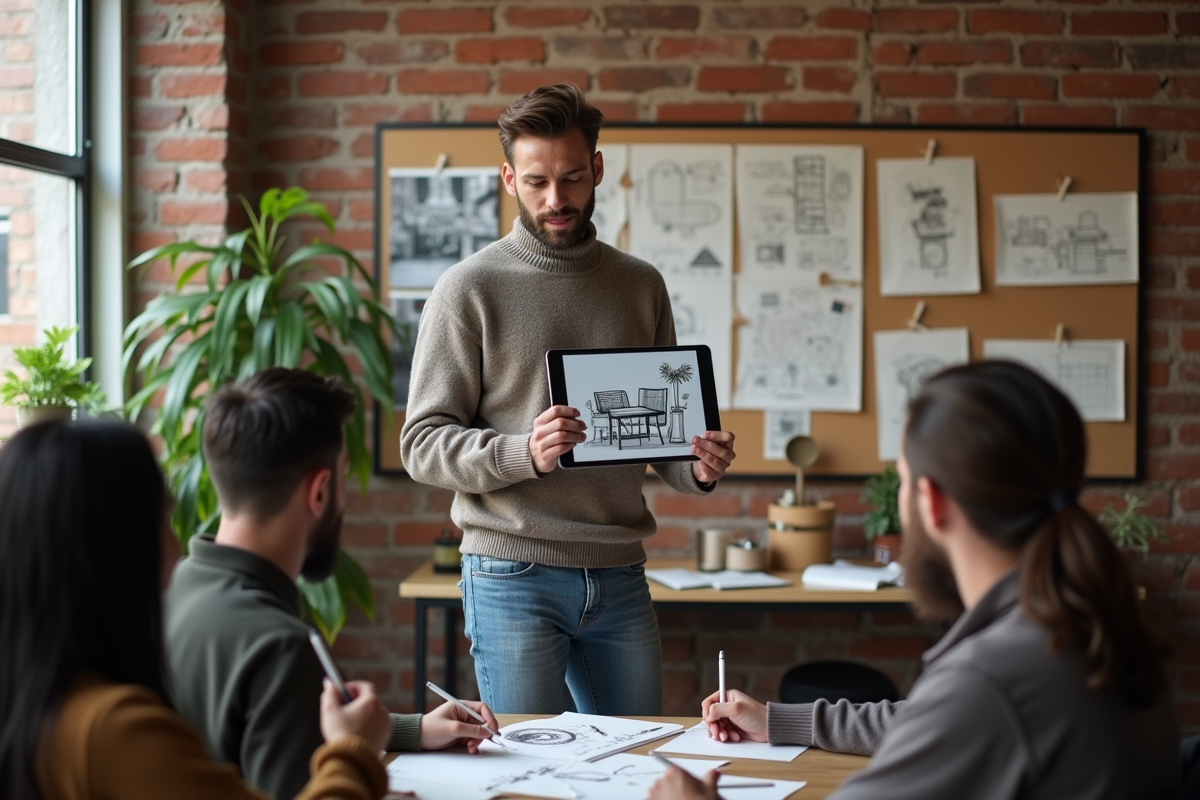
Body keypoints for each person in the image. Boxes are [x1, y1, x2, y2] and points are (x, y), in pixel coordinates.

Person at [651, 361, 1180, 800]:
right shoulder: (1081, 621)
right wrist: (778, 721)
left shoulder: (993, 679)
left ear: (932, 502)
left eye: (902, 482)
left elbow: (964, 710)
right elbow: (933, 720)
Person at [401, 83, 737, 716]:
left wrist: (695, 467)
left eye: (572, 179)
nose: (556, 200)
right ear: (507, 179)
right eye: (536, 183)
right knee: (528, 769)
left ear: (598, 170)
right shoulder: (467, 289)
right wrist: (521, 451)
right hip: (511, 574)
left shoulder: (641, 286)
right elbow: (421, 444)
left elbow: (660, 440)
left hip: (619, 571)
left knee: (635, 765)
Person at [0, 419, 391, 800]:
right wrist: (352, 754)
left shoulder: (36, 705)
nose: (176, 540)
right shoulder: (111, 732)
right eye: (164, 517)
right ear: (120, 548)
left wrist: (396, 728)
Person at [166, 368, 498, 800]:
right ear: (319, 492)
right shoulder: (279, 648)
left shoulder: (169, 593)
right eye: (342, 477)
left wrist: (408, 729)